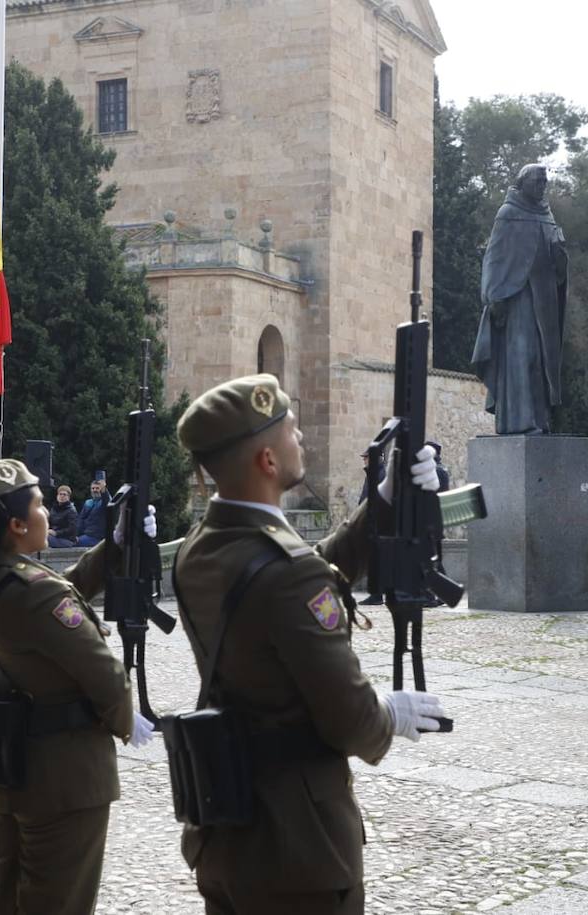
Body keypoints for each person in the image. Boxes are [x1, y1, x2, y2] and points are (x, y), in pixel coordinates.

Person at [173, 374, 447, 914]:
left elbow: (300, 571)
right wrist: (389, 710)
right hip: (297, 851)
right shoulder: (285, 573)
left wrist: (385, 498)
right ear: (268, 462)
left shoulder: (198, 549)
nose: (303, 440)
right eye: (293, 431)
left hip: (226, 830)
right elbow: (351, 721)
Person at [0, 458, 155, 915]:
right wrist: (125, 721)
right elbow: (106, 676)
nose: (45, 513)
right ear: (17, 525)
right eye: (39, 505)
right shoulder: (34, 592)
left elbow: (61, 592)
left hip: (11, 767)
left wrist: (113, 545)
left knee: (14, 899)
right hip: (63, 777)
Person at [471, 163, 569, 435]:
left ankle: (539, 420)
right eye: (538, 181)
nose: (542, 187)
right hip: (517, 298)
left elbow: (558, 269)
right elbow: (494, 257)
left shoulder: (547, 216)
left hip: (544, 300)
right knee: (520, 357)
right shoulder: (509, 213)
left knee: (541, 362)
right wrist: (492, 296)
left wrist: (561, 256)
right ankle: (519, 422)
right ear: (523, 182)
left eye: (545, 182)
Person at [75, 479, 109, 548]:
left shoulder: (104, 503)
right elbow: (81, 520)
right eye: (93, 488)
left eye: (97, 488)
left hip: (97, 537)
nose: (95, 490)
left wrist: (104, 489)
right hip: (85, 534)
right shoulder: (88, 502)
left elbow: (106, 499)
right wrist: (76, 534)